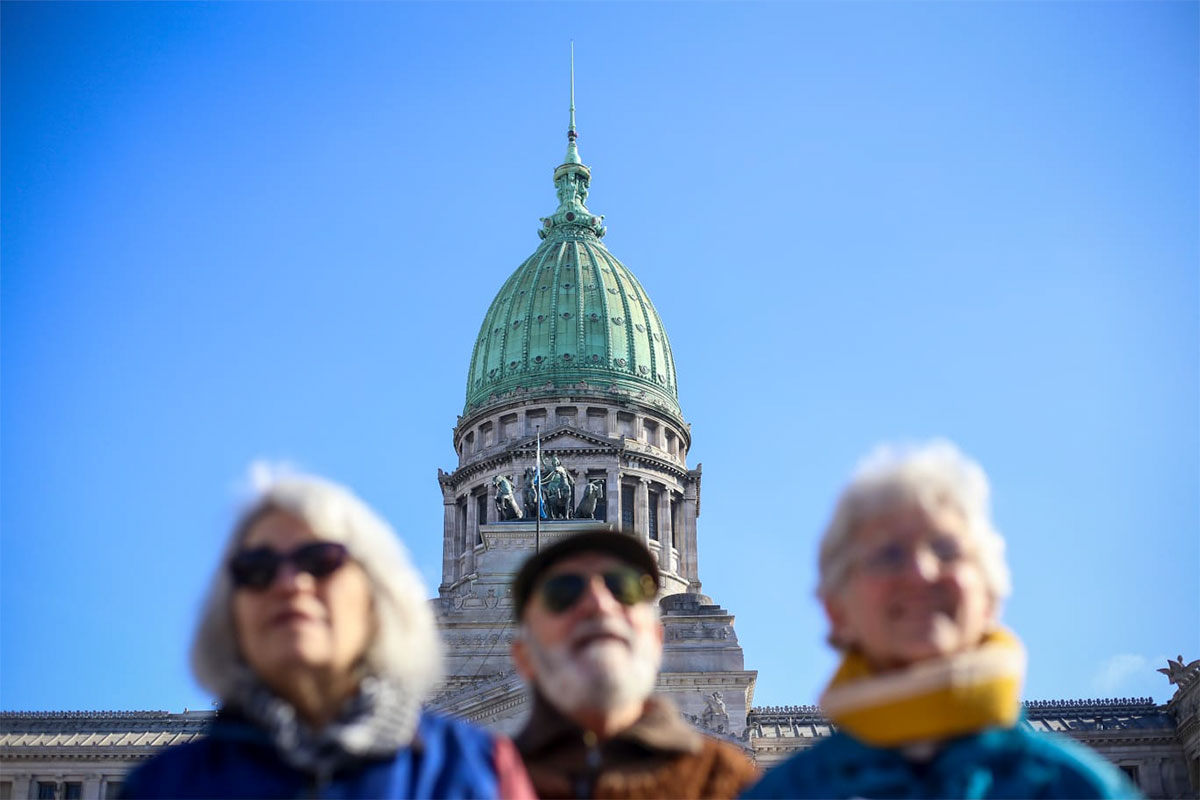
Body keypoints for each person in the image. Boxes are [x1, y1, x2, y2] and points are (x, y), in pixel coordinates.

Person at [743, 441, 1138, 799]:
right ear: (836, 610)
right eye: (888, 555)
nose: (920, 573)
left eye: (946, 550)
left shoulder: (1082, 789)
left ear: (990, 595)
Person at [122, 471, 534, 799]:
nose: (290, 584)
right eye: (257, 569)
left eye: (320, 562)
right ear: (229, 609)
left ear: (375, 597)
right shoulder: (162, 786)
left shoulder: (479, 771)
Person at [510, 529, 759, 798]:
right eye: (562, 592)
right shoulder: (484, 780)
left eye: (623, 586)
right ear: (524, 654)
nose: (599, 603)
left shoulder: (731, 784)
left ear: (657, 639)